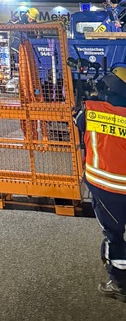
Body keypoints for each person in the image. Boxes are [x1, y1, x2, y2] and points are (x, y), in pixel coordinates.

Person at [75, 61, 126, 302]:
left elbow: (79, 130)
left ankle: (119, 283)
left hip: (105, 187)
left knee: (114, 236)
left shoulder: (90, 110)